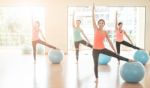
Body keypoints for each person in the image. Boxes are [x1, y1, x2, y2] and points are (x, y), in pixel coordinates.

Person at [92, 3, 134, 83]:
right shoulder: (96, 29)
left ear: (104, 24)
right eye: (99, 23)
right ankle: (96, 78)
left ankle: (128, 60)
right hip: (95, 50)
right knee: (95, 64)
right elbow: (93, 19)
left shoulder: (105, 32)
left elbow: (110, 41)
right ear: (98, 24)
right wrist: (93, 10)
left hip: (102, 49)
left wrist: (114, 49)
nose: (101, 24)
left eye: (102, 23)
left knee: (115, 55)